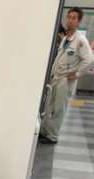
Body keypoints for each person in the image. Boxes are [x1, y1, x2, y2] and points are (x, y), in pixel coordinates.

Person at [40, 7, 94, 144]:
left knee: (58, 109)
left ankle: (52, 136)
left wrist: (78, 73)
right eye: (69, 17)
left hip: (65, 80)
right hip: (56, 78)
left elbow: (89, 59)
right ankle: (45, 131)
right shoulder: (66, 39)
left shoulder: (80, 40)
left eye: (74, 18)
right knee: (50, 107)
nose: (70, 20)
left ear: (79, 22)